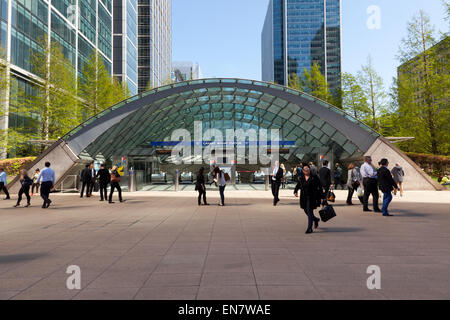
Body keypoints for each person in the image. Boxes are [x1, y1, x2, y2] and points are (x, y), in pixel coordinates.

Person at [294, 165, 323, 234]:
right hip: (304, 197)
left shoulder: (314, 177)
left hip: (312, 197)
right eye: (305, 169)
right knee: (305, 210)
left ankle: (309, 228)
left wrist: (322, 197)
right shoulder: (301, 177)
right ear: (303, 171)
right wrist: (295, 191)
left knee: (310, 212)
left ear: (309, 170)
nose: (306, 170)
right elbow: (298, 185)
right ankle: (316, 219)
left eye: (308, 169)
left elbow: (320, 187)